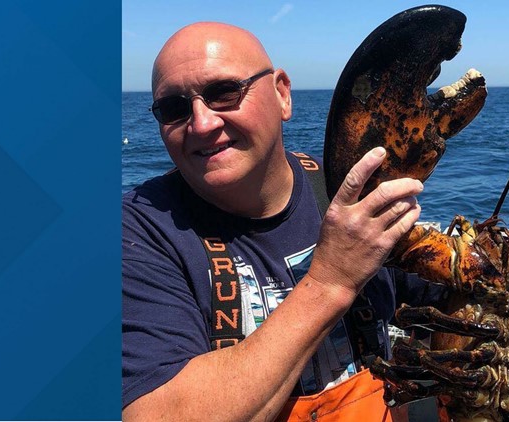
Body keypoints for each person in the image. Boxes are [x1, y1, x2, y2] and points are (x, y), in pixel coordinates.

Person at [122, 22, 438, 421]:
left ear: (282, 94)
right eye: (174, 108)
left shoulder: (346, 194)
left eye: (224, 92)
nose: (201, 123)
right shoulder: (139, 230)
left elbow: (446, 289)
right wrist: (332, 280)